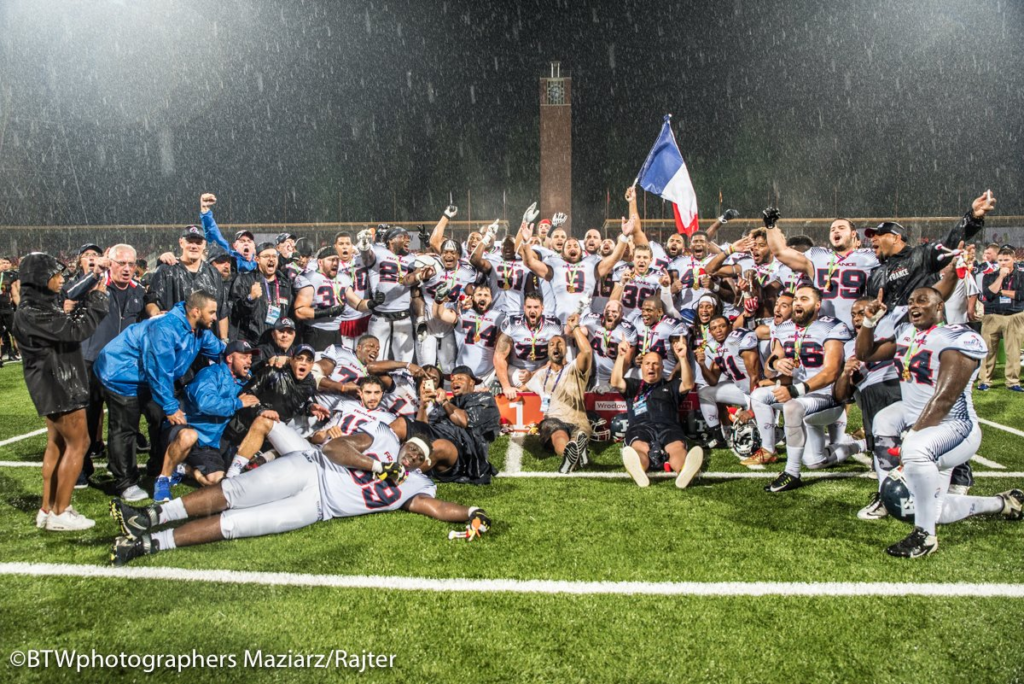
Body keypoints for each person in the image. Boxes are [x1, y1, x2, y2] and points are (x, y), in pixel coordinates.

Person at [109, 430, 492, 566]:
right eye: (410, 448)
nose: (408, 455)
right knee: (235, 492)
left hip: (318, 508)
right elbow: (333, 450)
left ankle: (148, 543)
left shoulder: (415, 486)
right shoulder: (385, 440)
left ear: (423, 465)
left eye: (416, 457)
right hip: (312, 469)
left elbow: (436, 507)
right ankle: (153, 515)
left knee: (240, 525)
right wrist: (375, 467)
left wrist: (472, 512)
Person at [854, 287, 1022, 557]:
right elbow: (865, 353)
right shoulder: (909, 333)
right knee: (935, 507)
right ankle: (1003, 503)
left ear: (940, 306)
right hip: (920, 420)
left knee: (916, 450)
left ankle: (925, 537)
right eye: (910, 301)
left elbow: (944, 399)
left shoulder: (957, 336)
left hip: (954, 427)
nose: (914, 306)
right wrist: (869, 322)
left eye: (922, 300)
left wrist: (912, 436)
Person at [95, 290, 225, 501]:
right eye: (211, 312)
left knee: (159, 419)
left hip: (148, 377)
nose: (215, 317)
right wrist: (170, 406)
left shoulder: (198, 330)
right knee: (125, 428)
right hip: (120, 374)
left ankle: (157, 468)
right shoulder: (164, 329)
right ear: (195, 311)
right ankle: (125, 482)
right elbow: (158, 370)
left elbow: (219, 349)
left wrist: (243, 356)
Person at [14, 253, 109, 531]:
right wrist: (98, 299)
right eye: (55, 275)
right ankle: (61, 511)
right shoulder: (34, 312)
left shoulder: (35, 304)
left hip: (52, 383)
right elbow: (75, 329)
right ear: (42, 279)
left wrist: (92, 278)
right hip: (59, 384)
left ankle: (47, 509)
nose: (61, 280)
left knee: (56, 445)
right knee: (79, 443)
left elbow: (68, 293)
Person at [749, 286, 852, 487]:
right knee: (759, 395)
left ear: (817, 305)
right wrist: (775, 364)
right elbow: (770, 369)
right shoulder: (783, 328)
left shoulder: (832, 327)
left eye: (804, 299)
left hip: (826, 397)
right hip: (799, 396)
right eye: (796, 299)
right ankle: (768, 448)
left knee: (792, 408)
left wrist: (796, 391)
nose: (797, 302)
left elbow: (831, 372)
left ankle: (792, 473)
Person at [156, 341, 261, 501]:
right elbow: (205, 403)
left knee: (217, 482)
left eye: (250, 358)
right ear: (230, 359)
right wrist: (238, 403)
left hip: (209, 442)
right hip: (184, 429)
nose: (249, 361)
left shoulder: (245, 381)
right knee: (189, 436)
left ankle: (186, 469)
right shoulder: (211, 374)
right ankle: (163, 480)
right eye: (244, 357)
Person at [78, 244, 147, 485]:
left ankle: (119, 468)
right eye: (121, 263)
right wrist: (95, 272)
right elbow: (71, 294)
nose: (127, 269)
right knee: (87, 418)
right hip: (91, 361)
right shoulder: (95, 285)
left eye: (131, 264)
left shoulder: (140, 291)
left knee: (121, 421)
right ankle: (81, 471)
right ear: (110, 262)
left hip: (121, 367)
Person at [610, 336, 703, 489]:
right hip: (641, 427)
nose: (651, 367)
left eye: (655, 364)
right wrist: (621, 356)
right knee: (640, 447)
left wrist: (682, 358)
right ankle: (639, 468)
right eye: (647, 364)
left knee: (676, 448)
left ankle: (684, 471)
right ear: (642, 367)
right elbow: (615, 382)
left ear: (661, 367)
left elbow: (687, 384)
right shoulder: (634, 385)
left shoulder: (671, 385)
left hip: (669, 427)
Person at [392, 365, 502, 485]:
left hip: (462, 454)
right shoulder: (447, 404)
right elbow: (422, 431)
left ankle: (397, 480)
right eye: (453, 379)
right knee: (401, 423)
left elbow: (465, 421)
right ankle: (376, 462)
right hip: (438, 435)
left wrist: (445, 402)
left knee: (439, 446)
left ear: (472, 382)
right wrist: (423, 405)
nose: (455, 382)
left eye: (460, 378)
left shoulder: (484, 398)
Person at [765, 212, 878, 328]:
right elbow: (781, 252)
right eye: (832, 229)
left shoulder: (870, 256)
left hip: (859, 326)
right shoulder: (818, 255)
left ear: (853, 233)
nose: (836, 231)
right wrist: (770, 226)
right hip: (824, 328)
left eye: (841, 228)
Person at [524, 314, 593, 473]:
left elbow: (587, 351)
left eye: (560, 344)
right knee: (559, 434)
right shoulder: (541, 375)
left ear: (566, 350)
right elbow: (520, 390)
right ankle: (574, 453)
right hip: (554, 421)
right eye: (552, 344)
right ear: (547, 351)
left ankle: (572, 453)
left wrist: (575, 327)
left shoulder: (575, 368)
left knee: (576, 436)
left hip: (578, 420)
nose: (556, 347)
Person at [145, 225, 229, 342]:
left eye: (198, 242)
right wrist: (156, 313)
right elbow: (151, 301)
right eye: (190, 241)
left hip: (206, 343)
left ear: (204, 245)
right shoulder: (166, 270)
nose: (194, 246)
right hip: (175, 342)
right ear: (181, 242)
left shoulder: (214, 273)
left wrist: (224, 340)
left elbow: (222, 310)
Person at [364, 226, 433, 363]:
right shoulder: (378, 251)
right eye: (402, 237)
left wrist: (427, 246)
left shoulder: (412, 258)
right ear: (391, 240)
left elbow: (426, 264)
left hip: (403, 316)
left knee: (404, 362)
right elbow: (367, 255)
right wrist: (364, 246)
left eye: (408, 237)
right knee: (376, 362)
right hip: (380, 316)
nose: (407, 240)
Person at [695, 315, 762, 448]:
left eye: (722, 326)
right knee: (704, 392)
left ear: (730, 327)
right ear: (711, 332)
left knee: (760, 437)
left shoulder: (740, 339)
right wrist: (702, 365)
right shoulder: (714, 348)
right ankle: (719, 436)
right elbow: (713, 381)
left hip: (759, 390)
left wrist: (751, 409)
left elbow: (755, 376)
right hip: (742, 390)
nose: (718, 330)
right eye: (714, 328)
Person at [494, 292, 563, 400]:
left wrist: (532, 375)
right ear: (524, 308)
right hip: (517, 371)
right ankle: (502, 384)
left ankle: (523, 391)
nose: (532, 310)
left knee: (557, 374)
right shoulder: (512, 324)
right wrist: (506, 387)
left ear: (542, 308)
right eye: (529, 307)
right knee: (518, 378)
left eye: (536, 307)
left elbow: (557, 360)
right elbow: (499, 356)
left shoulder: (553, 326)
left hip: (542, 370)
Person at [432, 283, 504, 386]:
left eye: (486, 295)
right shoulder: (463, 313)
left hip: (489, 375)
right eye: (479, 294)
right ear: (472, 297)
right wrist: (439, 300)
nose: (482, 297)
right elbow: (439, 314)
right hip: (463, 374)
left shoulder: (499, 317)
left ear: (491, 299)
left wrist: (498, 377)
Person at [977, 246, 1024, 392]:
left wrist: (1001, 291)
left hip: (1014, 316)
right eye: (1001, 260)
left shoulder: (1021, 276)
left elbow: (1021, 295)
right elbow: (989, 294)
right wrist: (1001, 277)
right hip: (992, 316)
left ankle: (1013, 382)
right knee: (988, 350)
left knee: (1014, 351)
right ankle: (985, 380)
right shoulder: (989, 276)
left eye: (1006, 260)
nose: (1003, 263)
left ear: (1014, 260)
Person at [230, 241, 295, 344]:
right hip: (252, 342)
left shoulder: (285, 284)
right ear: (257, 259)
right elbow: (235, 312)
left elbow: (291, 314)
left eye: (274, 256)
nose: (271, 259)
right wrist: (250, 298)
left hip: (277, 343)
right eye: (266, 256)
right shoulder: (245, 280)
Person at [292, 247, 347, 351]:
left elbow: (356, 302)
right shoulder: (310, 277)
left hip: (336, 331)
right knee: (316, 365)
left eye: (336, 260)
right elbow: (299, 312)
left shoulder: (340, 278)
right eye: (331, 260)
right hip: (316, 331)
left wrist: (371, 303)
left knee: (337, 364)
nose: (335, 263)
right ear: (320, 262)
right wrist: (327, 312)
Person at [581, 299, 636, 389]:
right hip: (596, 374)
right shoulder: (591, 320)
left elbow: (627, 361)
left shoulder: (627, 330)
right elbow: (571, 332)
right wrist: (578, 312)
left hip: (618, 374)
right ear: (603, 311)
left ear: (622, 315)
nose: (610, 314)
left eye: (614, 311)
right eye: (608, 311)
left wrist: (612, 381)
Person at [198, 192, 257, 273]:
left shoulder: (263, 260)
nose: (246, 243)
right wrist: (205, 212)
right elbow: (215, 235)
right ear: (235, 246)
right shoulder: (229, 258)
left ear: (254, 246)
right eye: (242, 241)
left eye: (249, 241)